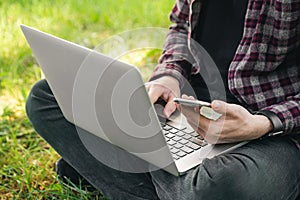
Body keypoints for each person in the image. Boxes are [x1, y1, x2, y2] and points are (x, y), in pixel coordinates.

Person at [26, 0, 300, 199]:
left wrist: (264, 122)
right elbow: (182, 25)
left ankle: (112, 167)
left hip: (271, 133)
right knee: (46, 97)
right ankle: (160, 166)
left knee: (216, 184)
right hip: (187, 107)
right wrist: (169, 74)